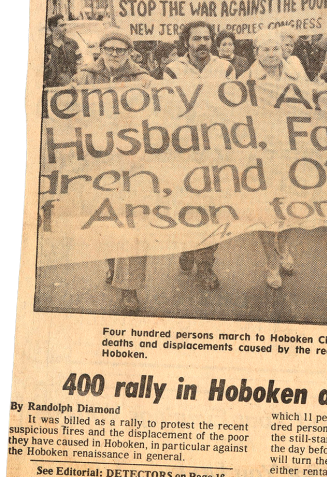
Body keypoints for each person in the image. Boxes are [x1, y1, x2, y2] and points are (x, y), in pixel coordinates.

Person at [71, 29, 152, 314]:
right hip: (97, 162)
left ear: (130, 53)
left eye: (121, 49)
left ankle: (129, 288)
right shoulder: (84, 78)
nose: (115, 54)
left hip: (133, 163)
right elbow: (66, 111)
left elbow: (164, 109)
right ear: (101, 51)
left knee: (132, 222)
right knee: (105, 221)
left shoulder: (142, 79)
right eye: (109, 49)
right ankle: (112, 265)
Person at [163, 21, 235, 288]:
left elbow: (234, 106)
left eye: (206, 38)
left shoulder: (225, 68)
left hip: (216, 148)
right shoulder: (172, 70)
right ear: (186, 42)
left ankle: (206, 265)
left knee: (213, 207)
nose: (202, 43)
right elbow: (168, 108)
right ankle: (187, 246)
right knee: (188, 205)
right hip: (185, 149)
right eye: (196, 38)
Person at [246, 32, 301, 288]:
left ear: (283, 50)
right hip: (262, 152)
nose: (271, 54)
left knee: (291, 203)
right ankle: (271, 262)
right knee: (265, 208)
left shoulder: (295, 74)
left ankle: (284, 246)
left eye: (276, 48)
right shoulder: (246, 79)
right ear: (256, 53)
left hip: (291, 149)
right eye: (266, 49)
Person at [44, 15, 79, 87]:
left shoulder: (73, 43)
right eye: (61, 25)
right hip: (51, 86)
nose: (65, 28)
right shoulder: (45, 45)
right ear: (53, 27)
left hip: (72, 83)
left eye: (65, 25)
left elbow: (80, 62)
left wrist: (77, 77)